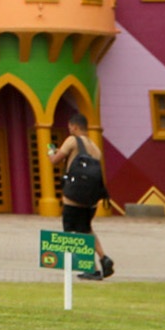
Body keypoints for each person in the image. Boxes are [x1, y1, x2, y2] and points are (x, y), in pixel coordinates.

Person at [48, 118, 115, 279]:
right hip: (91, 199)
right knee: (86, 228)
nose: (69, 129)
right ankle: (104, 258)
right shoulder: (95, 148)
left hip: (73, 197)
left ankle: (89, 267)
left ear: (75, 126)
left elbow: (55, 161)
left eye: (70, 126)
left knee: (72, 231)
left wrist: (50, 151)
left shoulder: (72, 141)